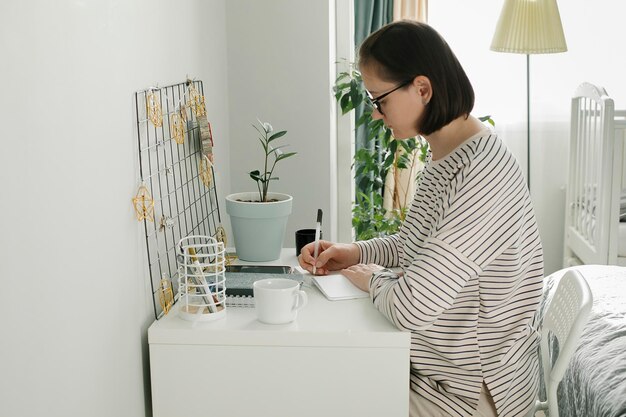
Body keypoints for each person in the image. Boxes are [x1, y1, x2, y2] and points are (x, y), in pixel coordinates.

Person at [299, 20, 544, 417]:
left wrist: (372, 278)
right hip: (439, 372)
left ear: (423, 89)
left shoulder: (481, 174)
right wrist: (352, 252)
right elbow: (411, 244)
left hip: (472, 393)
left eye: (380, 100)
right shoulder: (447, 157)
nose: (376, 115)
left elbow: (411, 305)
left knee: (322, 395)